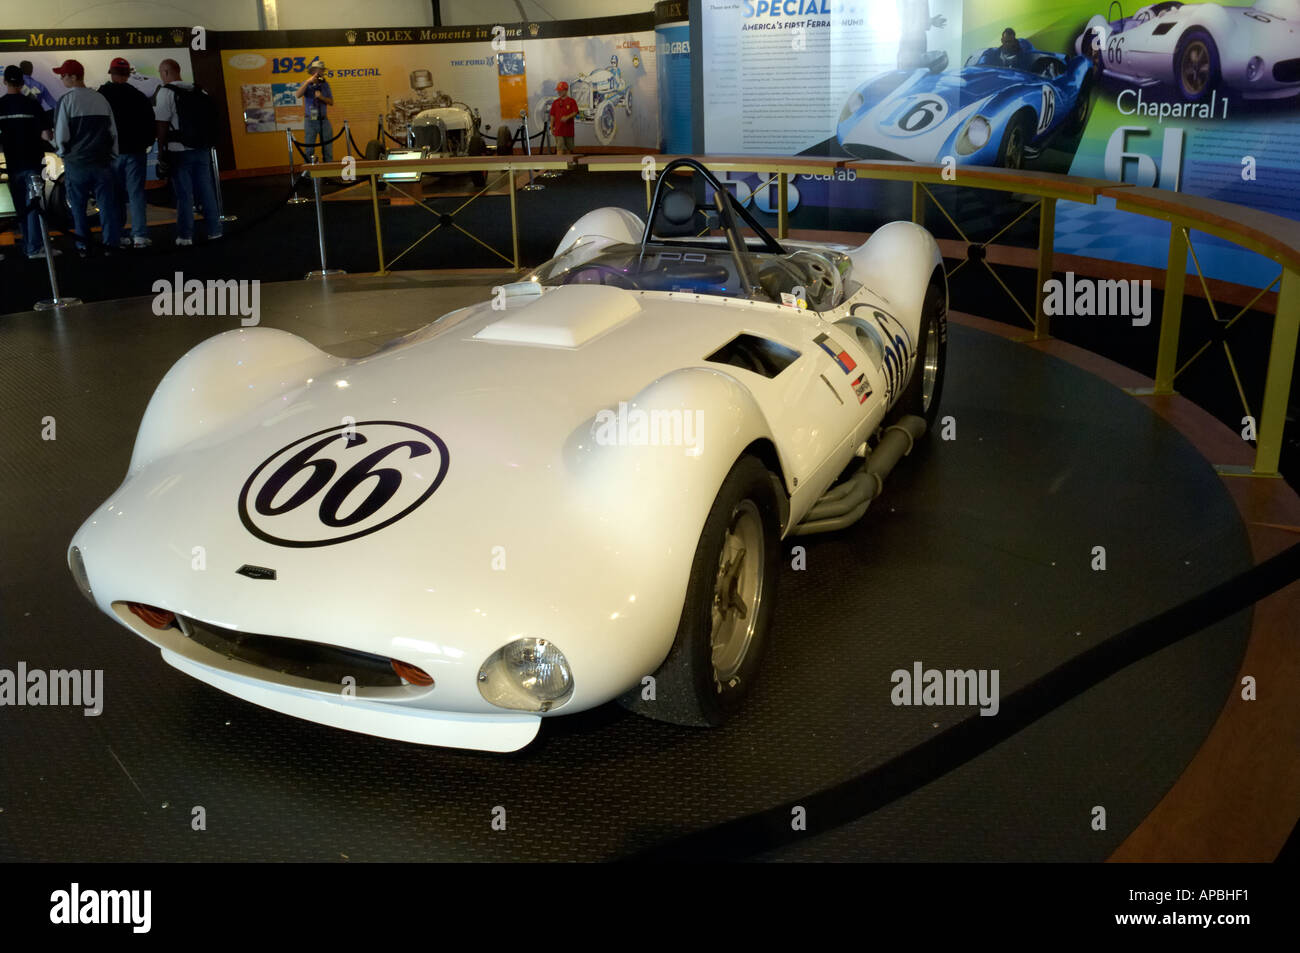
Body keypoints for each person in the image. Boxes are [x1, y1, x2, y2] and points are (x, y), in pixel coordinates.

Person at [51, 58, 122, 256]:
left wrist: (62, 153)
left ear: (73, 77)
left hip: (77, 164)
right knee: (107, 208)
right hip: (102, 163)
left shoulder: (66, 101)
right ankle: (110, 246)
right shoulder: (100, 99)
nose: (61, 79)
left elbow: (61, 135)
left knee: (79, 209)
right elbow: (113, 132)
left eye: (63, 75)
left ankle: (84, 246)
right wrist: (112, 156)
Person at [154, 57, 222, 245]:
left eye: (161, 73)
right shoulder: (199, 90)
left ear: (166, 72)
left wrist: (161, 150)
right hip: (201, 148)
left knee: (184, 194)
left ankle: (185, 236)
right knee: (206, 190)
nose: (161, 77)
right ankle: (215, 230)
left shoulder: (166, 93)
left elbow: (162, 123)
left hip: (179, 151)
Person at [0, 63, 56, 259]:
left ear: (4, 81)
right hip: (33, 162)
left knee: (22, 208)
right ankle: (34, 247)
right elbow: (47, 135)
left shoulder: (1, 105)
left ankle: (27, 245)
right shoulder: (32, 104)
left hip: (13, 164)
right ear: (22, 82)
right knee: (34, 206)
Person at [98, 57, 155, 248]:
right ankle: (139, 236)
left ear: (112, 74)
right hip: (136, 151)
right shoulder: (138, 96)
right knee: (136, 193)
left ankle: (119, 235)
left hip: (111, 153)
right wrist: (145, 143)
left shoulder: (102, 94)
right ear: (129, 74)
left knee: (114, 195)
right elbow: (150, 123)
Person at [295, 58, 334, 162]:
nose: (321, 72)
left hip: (323, 120)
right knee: (309, 149)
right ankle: (309, 174)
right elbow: (298, 95)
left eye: (322, 70)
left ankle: (328, 173)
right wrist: (308, 81)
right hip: (310, 121)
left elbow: (331, 102)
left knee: (327, 149)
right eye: (319, 70)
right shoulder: (306, 83)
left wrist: (322, 97)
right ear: (313, 71)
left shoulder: (325, 84)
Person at [548, 81, 577, 154]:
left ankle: (568, 165)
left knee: (569, 150)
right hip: (558, 130)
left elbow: (575, 112)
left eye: (560, 90)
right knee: (560, 149)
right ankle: (560, 165)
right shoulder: (555, 102)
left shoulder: (572, 101)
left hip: (569, 130)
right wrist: (551, 127)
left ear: (566, 90)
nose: (559, 92)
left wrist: (567, 117)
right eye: (558, 90)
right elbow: (552, 115)